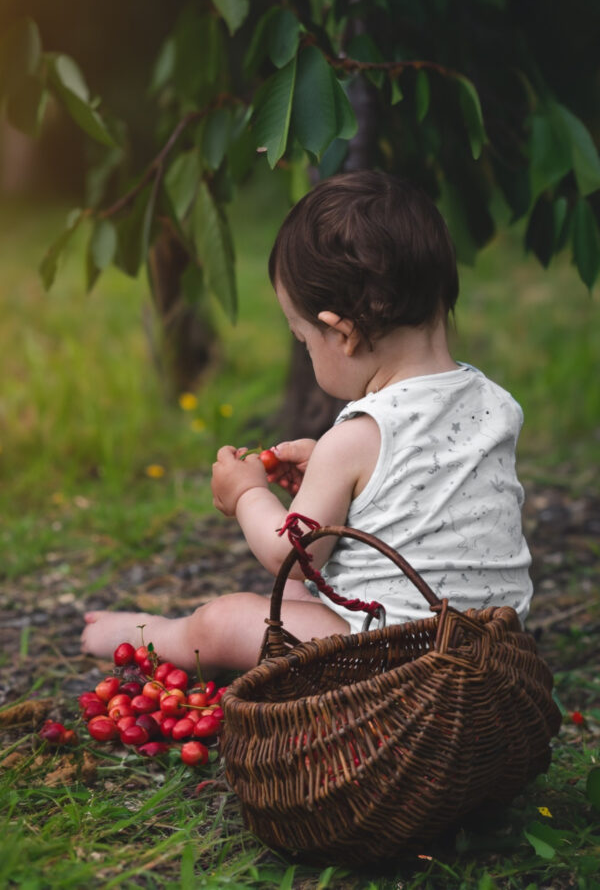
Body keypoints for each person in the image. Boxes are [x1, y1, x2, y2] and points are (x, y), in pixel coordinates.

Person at [81, 171, 533, 673]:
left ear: (342, 335)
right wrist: (356, 484)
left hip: (396, 662)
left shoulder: (355, 437)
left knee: (226, 620)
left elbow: (289, 555)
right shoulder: (495, 404)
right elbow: (440, 498)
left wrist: (248, 493)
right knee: (296, 595)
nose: (305, 349)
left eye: (303, 338)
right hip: (492, 651)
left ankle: (150, 635)